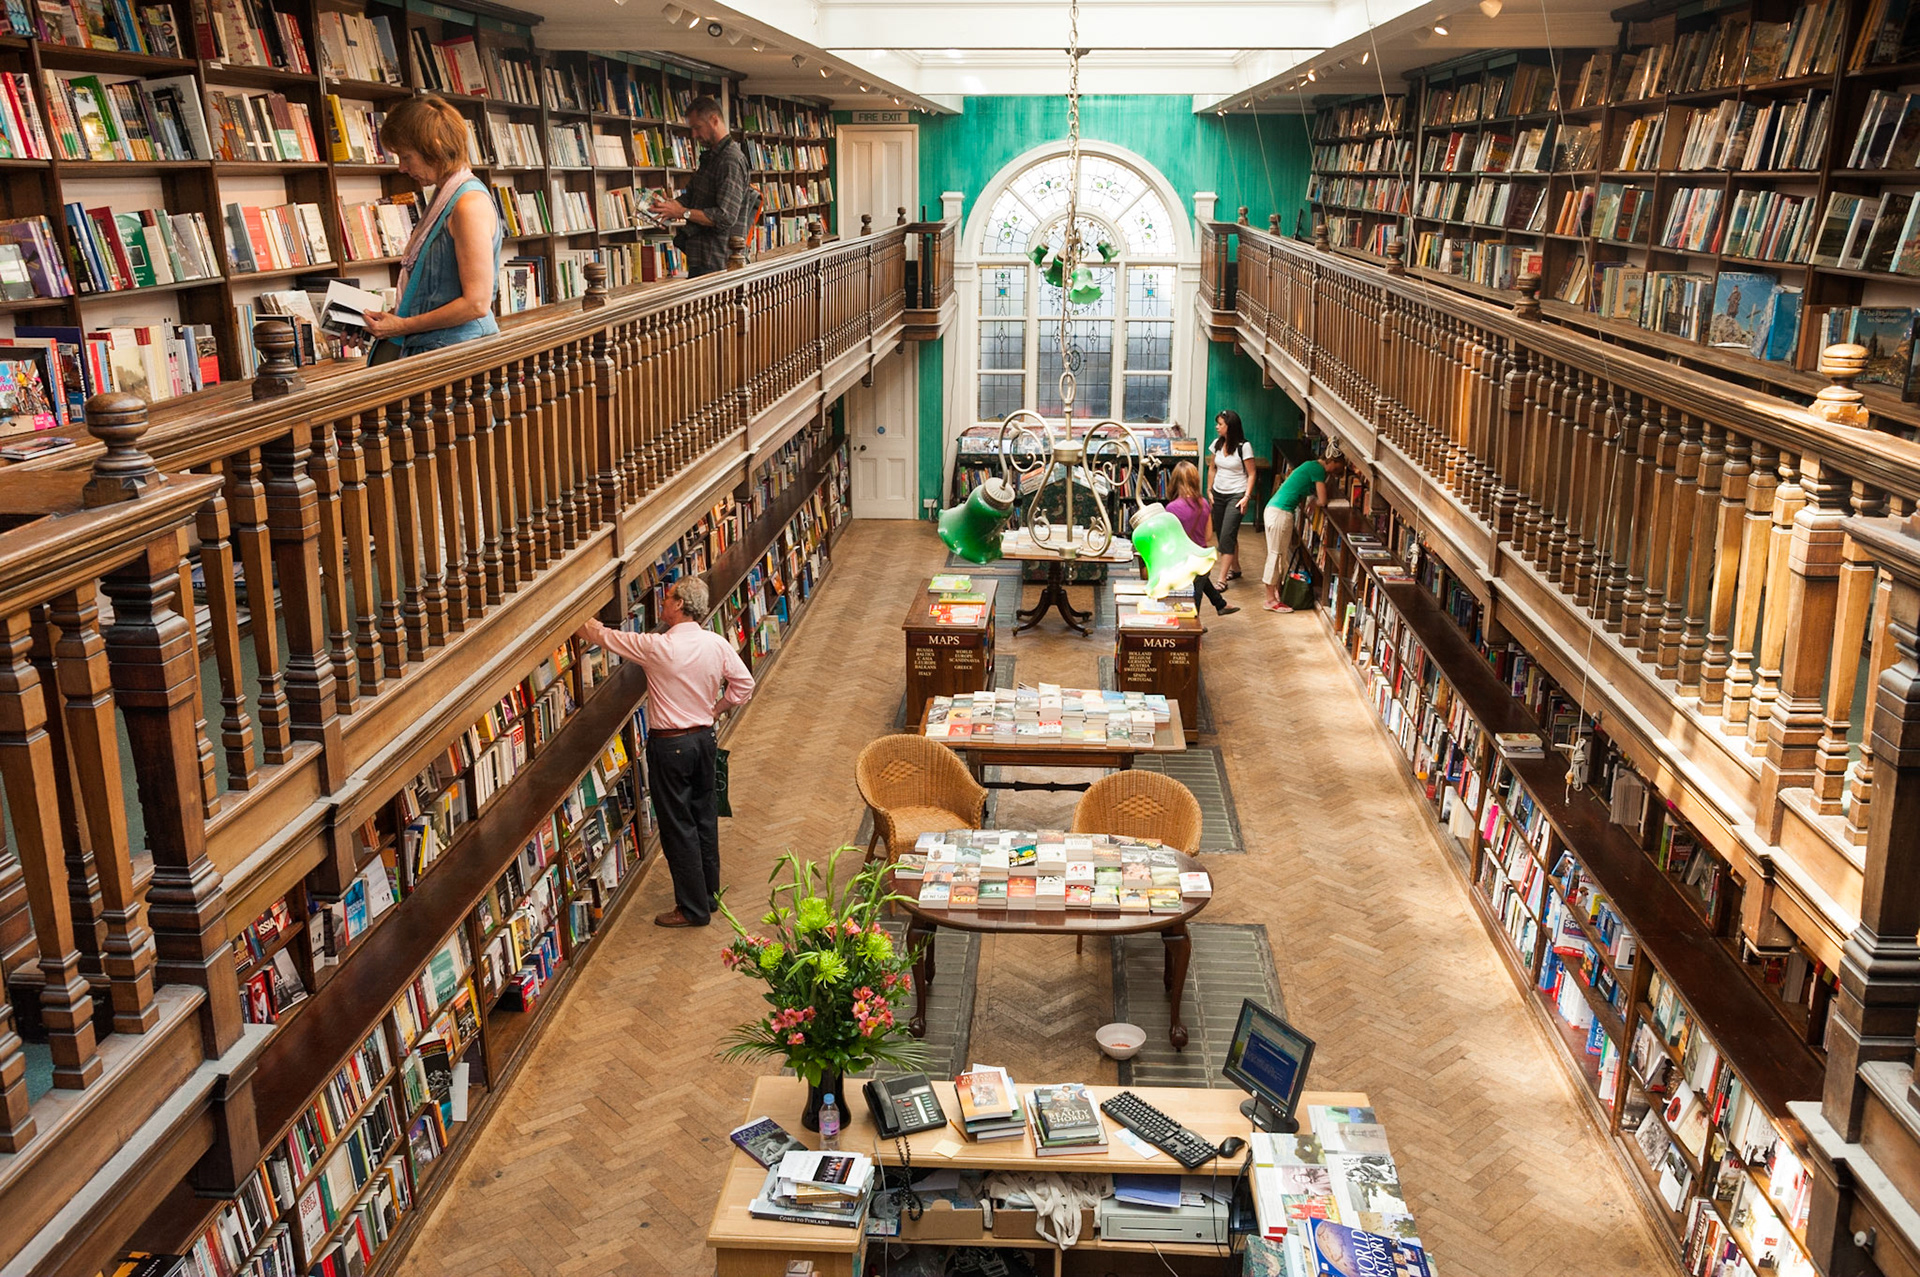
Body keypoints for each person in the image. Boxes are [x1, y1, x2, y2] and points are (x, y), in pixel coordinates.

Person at [575, 577, 755, 927]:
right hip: (704, 739)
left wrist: (577, 617)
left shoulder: (658, 647)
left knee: (677, 826)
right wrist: (716, 709)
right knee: (704, 817)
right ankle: (708, 895)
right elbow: (744, 684)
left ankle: (691, 909)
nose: (663, 600)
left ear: (679, 605)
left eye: (668, 596)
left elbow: (605, 637)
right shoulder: (716, 643)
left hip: (670, 744)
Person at [363, 96, 502, 358]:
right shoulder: (445, 197)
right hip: (443, 351)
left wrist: (402, 326)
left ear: (434, 147)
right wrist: (386, 322)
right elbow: (435, 292)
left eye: (406, 156)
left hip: (459, 357)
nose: (402, 168)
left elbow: (477, 304)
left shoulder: (467, 205)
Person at [650, 96, 753, 277]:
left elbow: (725, 216)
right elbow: (692, 197)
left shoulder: (730, 160)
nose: (694, 135)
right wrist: (667, 206)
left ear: (714, 120)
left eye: (697, 128)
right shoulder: (711, 158)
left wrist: (682, 212)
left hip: (718, 262)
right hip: (703, 258)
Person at [1263, 448, 1348, 613]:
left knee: (1277, 554)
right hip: (1281, 513)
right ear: (1332, 461)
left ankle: (1274, 595)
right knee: (1275, 555)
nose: (1337, 471)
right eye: (1337, 466)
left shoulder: (1311, 465)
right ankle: (1270, 600)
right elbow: (1323, 500)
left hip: (1274, 509)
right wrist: (1315, 502)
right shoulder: (1318, 470)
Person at [1163, 461, 1239, 616]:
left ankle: (1193, 625)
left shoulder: (1171, 508)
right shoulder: (1203, 504)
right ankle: (1220, 604)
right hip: (1201, 557)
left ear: (1174, 481)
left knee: (1194, 598)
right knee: (1202, 577)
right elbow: (1208, 536)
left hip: (1181, 560)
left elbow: (1169, 539)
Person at [1207, 410, 1257, 588]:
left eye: (1220, 424)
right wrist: (1209, 489)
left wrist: (1246, 497)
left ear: (1230, 427)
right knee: (1223, 535)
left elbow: (1252, 474)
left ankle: (1221, 579)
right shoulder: (1217, 444)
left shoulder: (1244, 447)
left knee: (1227, 536)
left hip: (1237, 495)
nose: (1217, 427)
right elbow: (1212, 468)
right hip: (1218, 494)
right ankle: (1235, 568)